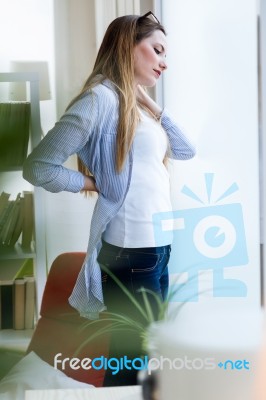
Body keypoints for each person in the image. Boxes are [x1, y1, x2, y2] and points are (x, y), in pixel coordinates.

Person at [23, 11, 195, 386]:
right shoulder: (99, 99)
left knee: (148, 352)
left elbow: (186, 150)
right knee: (131, 357)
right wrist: (90, 182)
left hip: (158, 247)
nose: (165, 61)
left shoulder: (132, 104)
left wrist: (148, 103)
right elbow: (38, 167)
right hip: (131, 252)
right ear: (128, 45)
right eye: (157, 49)